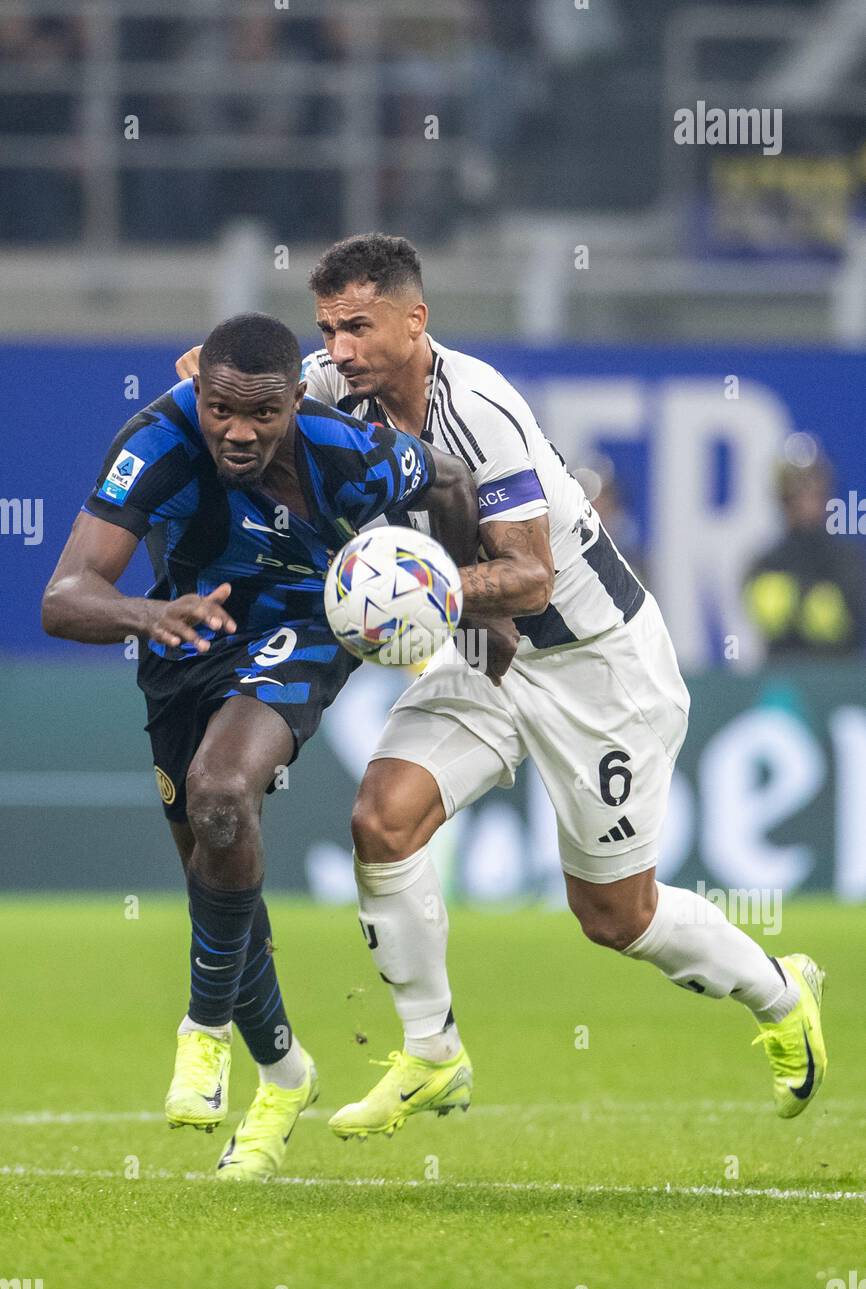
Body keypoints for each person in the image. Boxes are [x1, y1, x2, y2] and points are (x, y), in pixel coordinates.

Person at [176, 237, 827, 1142]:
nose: (343, 348)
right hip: (482, 659)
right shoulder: (328, 382)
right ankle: (431, 1055)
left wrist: (412, 581)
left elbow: (527, 575)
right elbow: (201, 375)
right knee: (381, 820)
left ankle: (779, 991)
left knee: (615, 915)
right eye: (329, 329)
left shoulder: (477, 409)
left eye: (360, 327)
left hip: (596, 666)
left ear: (417, 321)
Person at [41, 311, 479, 1180]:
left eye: (262, 415)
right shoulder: (158, 441)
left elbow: (455, 481)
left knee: (221, 793)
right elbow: (64, 595)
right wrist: (146, 613)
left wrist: (455, 602)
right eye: (220, 412)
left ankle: (201, 1036)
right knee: (216, 862)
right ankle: (284, 1072)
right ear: (198, 389)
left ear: (292, 401)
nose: (238, 434)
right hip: (185, 640)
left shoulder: (346, 448)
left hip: (306, 630)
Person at [744, 449, 866, 659]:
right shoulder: (765, 563)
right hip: (781, 683)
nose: (806, 502)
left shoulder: (850, 558)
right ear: (782, 498)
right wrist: (812, 600)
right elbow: (770, 614)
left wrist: (796, 599)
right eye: (796, 493)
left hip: (840, 682)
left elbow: (844, 618)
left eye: (814, 492)